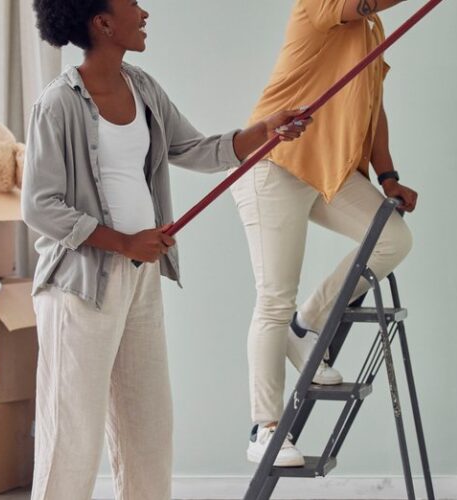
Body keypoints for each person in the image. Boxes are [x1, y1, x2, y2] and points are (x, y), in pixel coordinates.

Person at [23, 0, 311, 497]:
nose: (144, 12)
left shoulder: (144, 88)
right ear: (102, 22)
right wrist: (123, 241)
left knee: (149, 433)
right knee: (71, 439)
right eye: (132, 4)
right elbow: (40, 206)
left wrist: (263, 132)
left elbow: (193, 149)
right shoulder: (58, 103)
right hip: (80, 290)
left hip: (139, 280)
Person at [232, 0, 420, 467]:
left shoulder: (371, 30)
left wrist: (388, 174)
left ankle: (306, 325)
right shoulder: (320, 4)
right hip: (274, 165)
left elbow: (374, 107)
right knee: (274, 297)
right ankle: (264, 429)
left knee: (393, 238)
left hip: (325, 170)